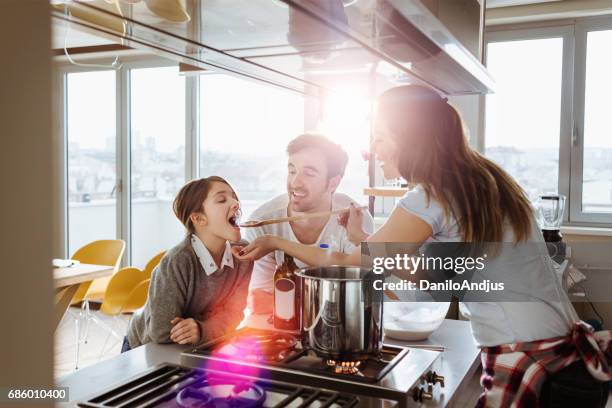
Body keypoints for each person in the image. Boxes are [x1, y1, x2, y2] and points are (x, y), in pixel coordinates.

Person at [237, 86, 611, 407]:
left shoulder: (430, 196)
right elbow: (433, 276)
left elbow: (355, 263)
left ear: (409, 138)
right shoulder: (483, 180)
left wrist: (274, 241)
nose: (373, 149)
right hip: (568, 361)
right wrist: (363, 242)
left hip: (532, 361)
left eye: (380, 136)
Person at [245, 133, 374, 314]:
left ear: (333, 183)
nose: (295, 182)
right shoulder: (262, 221)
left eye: (309, 173)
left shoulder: (356, 218)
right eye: (292, 171)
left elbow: (358, 299)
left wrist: (289, 300)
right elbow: (260, 302)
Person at [125, 176, 253, 351]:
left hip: (198, 346)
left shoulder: (243, 255)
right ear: (199, 219)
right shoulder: (178, 261)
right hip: (144, 348)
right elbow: (161, 330)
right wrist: (214, 321)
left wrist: (201, 329)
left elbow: (234, 313)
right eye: (222, 199)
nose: (236, 203)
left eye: (234, 197)